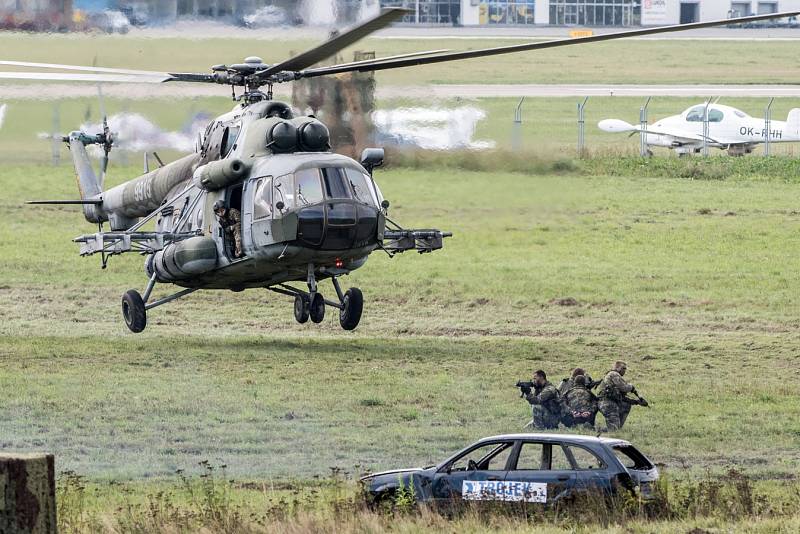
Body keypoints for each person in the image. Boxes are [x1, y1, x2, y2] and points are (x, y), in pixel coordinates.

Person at [597, 361, 638, 431]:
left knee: (626, 405)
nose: (625, 370)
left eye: (625, 369)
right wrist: (631, 387)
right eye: (623, 368)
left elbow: (621, 395)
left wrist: (636, 401)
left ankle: (617, 426)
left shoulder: (612, 374)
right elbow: (623, 387)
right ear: (617, 368)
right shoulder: (614, 374)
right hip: (607, 403)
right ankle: (595, 429)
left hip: (608, 402)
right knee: (613, 429)